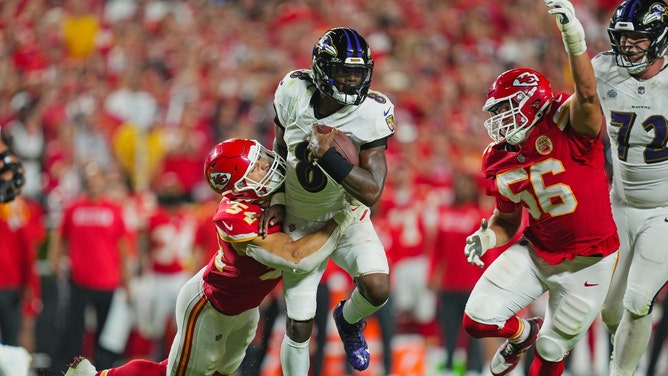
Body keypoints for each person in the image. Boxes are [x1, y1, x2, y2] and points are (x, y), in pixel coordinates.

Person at [63, 138, 360, 376]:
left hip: (245, 310)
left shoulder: (272, 191)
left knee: (222, 371)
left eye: (262, 158)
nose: (267, 166)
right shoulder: (234, 215)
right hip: (211, 308)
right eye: (256, 167)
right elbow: (296, 256)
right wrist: (342, 217)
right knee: (172, 372)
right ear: (238, 186)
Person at [461, 1, 620, 375]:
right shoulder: (496, 156)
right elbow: (506, 219)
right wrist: (488, 237)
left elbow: (587, 95)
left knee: (552, 350)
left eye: (504, 108)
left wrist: (573, 38)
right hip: (537, 252)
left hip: (591, 258)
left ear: (531, 102)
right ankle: (521, 334)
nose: (498, 119)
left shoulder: (567, 123)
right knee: (477, 321)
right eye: (495, 112)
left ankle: (537, 341)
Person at [260, 26, 394, 374]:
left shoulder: (373, 113)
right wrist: (276, 196)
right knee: (298, 324)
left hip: (347, 216)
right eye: (344, 72)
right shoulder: (292, 90)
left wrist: (328, 156)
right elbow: (278, 149)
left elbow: (372, 190)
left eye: (358, 73)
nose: (352, 81)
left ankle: (348, 321)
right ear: (322, 69)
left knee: (377, 288)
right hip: (300, 219)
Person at [592, 1, 668, 374]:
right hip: (619, 203)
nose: (629, 46)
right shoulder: (603, 70)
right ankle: (626, 364)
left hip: (665, 210)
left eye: (638, 37)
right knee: (609, 307)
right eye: (623, 38)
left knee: (638, 301)